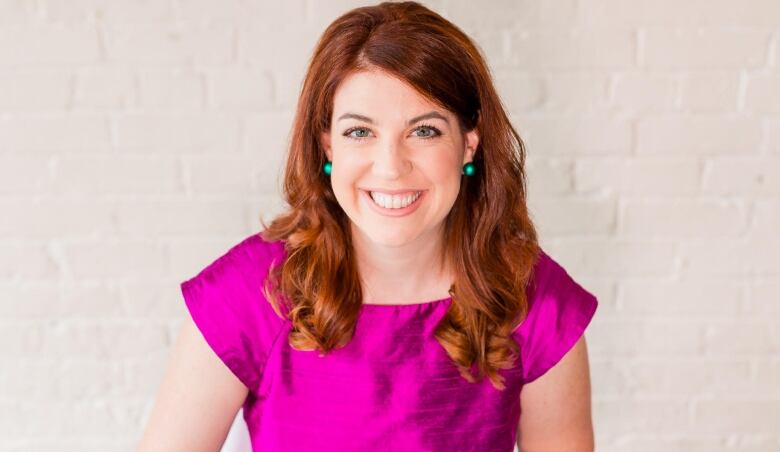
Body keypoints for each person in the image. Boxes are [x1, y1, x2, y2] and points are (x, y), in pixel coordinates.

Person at [136, 2, 598, 451]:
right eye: (360, 132)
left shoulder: (536, 299)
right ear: (328, 146)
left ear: (468, 145)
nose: (391, 167)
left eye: (424, 131)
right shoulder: (249, 292)